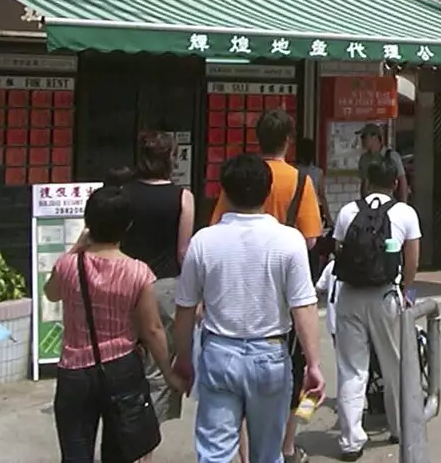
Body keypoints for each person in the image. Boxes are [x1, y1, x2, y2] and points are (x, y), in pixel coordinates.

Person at [174, 153, 324, 463]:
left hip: (218, 353)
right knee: (268, 454)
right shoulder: (289, 240)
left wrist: (185, 358)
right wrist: (313, 364)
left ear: (223, 193)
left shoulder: (203, 241)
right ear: (268, 192)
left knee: (214, 453)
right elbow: (303, 307)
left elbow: (186, 307)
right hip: (270, 355)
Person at [209, 110, 323, 463]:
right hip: (284, 294)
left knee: (233, 391)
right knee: (289, 373)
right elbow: (311, 238)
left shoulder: (241, 178)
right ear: (288, 140)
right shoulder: (300, 180)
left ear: (257, 139)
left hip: (240, 290)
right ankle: (285, 446)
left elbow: (217, 226)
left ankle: (243, 455)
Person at [46, 185, 185, 463]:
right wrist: (169, 374)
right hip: (122, 368)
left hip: (74, 371)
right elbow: (152, 329)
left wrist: (77, 246)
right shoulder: (138, 272)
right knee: (120, 451)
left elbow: (51, 293)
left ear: (88, 223)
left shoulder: (68, 266)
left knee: (75, 452)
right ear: (127, 226)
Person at [332, 157, 422, 462]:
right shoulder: (405, 213)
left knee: (351, 368)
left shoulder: (347, 211)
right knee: (394, 363)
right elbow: (412, 262)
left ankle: (350, 440)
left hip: (350, 296)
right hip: (385, 297)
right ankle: (399, 428)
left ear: (367, 181)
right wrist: (405, 289)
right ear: (395, 184)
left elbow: (339, 253)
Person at [118, 131, 195, 427]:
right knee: (158, 362)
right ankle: (147, 433)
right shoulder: (182, 198)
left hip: (125, 282)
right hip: (163, 287)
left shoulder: (123, 193)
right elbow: (183, 251)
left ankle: (125, 425)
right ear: (171, 158)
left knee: (124, 356)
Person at [357, 124, 410, 202]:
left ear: (374, 137)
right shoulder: (364, 159)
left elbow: (402, 181)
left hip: (388, 201)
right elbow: (364, 183)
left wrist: (403, 203)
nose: (362, 140)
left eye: (364, 137)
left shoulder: (392, 156)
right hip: (370, 202)